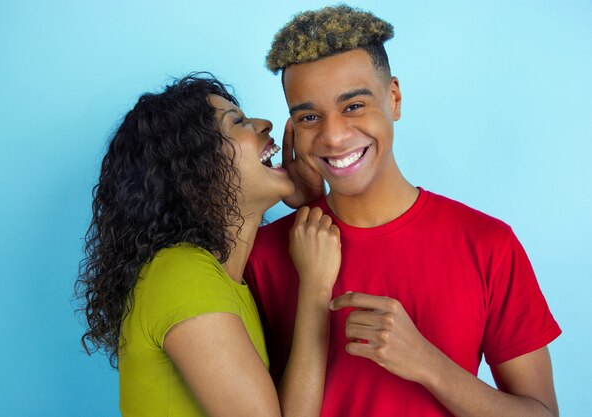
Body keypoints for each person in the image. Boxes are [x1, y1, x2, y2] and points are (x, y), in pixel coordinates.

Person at [245, 5, 561, 417]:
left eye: (354, 106)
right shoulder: (265, 255)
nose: (334, 136)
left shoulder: (488, 245)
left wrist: (428, 364)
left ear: (393, 98)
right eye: (309, 117)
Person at [75, 73, 341, 417]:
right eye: (239, 122)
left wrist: (311, 204)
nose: (265, 124)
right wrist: (316, 289)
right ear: (198, 169)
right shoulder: (182, 275)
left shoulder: (222, 281)